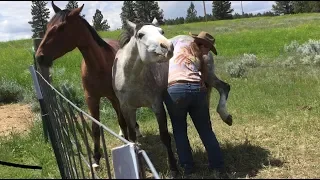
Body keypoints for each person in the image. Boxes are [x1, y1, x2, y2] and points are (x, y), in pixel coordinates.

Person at [164, 31, 225, 177]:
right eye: (208, 48)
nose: (208, 51)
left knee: (179, 130)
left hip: (175, 89)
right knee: (205, 129)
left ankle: (188, 169)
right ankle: (218, 168)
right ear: (202, 44)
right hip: (197, 89)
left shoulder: (178, 43)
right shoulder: (198, 57)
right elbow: (204, 79)